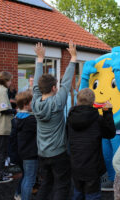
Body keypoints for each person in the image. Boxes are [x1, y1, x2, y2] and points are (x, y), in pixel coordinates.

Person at [32, 41, 77, 200]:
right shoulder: (57, 103)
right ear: (53, 88)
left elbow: (36, 88)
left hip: (42, 154)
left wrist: (39, 59)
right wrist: (73, 58)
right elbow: (66, 84)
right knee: (62, 186)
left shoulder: (35, 103)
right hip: (58, 154)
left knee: (47, 184)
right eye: (55, 87)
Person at [67, 88, 116, 200]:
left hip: (76, 164)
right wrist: (107, 112)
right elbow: (110, 133)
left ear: (77, 101)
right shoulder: (97, 119)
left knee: (77, 193)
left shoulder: (70, 118)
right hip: (92, 166)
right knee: (92, 195)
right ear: (93, 102)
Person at [13, 90, 38, 200]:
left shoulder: (17, 118)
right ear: (26, 104)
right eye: (32, 102)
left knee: (26, 177)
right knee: (30, 179)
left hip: (21, 152)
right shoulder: (31, 120)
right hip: (30, 153)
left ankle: (21, 195)